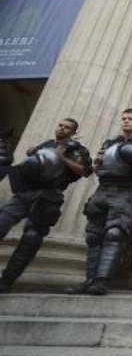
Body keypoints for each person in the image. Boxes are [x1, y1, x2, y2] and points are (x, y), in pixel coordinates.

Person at [68, 108, 132, 296]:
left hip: (126, 191)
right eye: (123, 118)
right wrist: (98, 161)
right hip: (102, 189)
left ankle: (101, 281)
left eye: (130, 119)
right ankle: (89, 280)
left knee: (114, 234)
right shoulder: (110, 141)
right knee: (93, 236)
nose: (126, 121)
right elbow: (96, 165)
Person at [0, 119, 92, 292]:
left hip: (49, 196)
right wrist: (33, 153)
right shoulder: (47, 144)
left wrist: (62, 157)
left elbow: (85, 171)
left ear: (73, 132)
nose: (62, 129)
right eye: (61, 125)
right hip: (25, 193)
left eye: (67, 128)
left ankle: (6, 281)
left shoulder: (77, 149)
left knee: (31, 238)